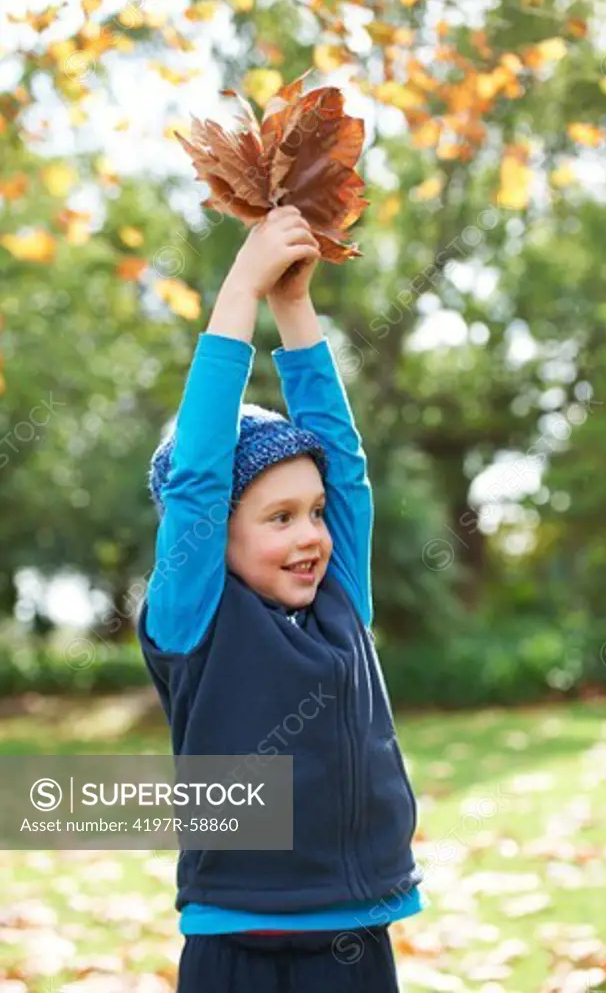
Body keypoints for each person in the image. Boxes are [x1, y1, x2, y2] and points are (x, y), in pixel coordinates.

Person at [137, 205, 426, 992]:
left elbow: (347, 467)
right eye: (278, 518)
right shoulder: (193, 619)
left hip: (353, 935)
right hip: (234, 940)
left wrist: (293, 303)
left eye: (315, 513)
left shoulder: (337, 601)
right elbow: (199, 480)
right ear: (210, 539)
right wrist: (242, 287)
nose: (311, 535)